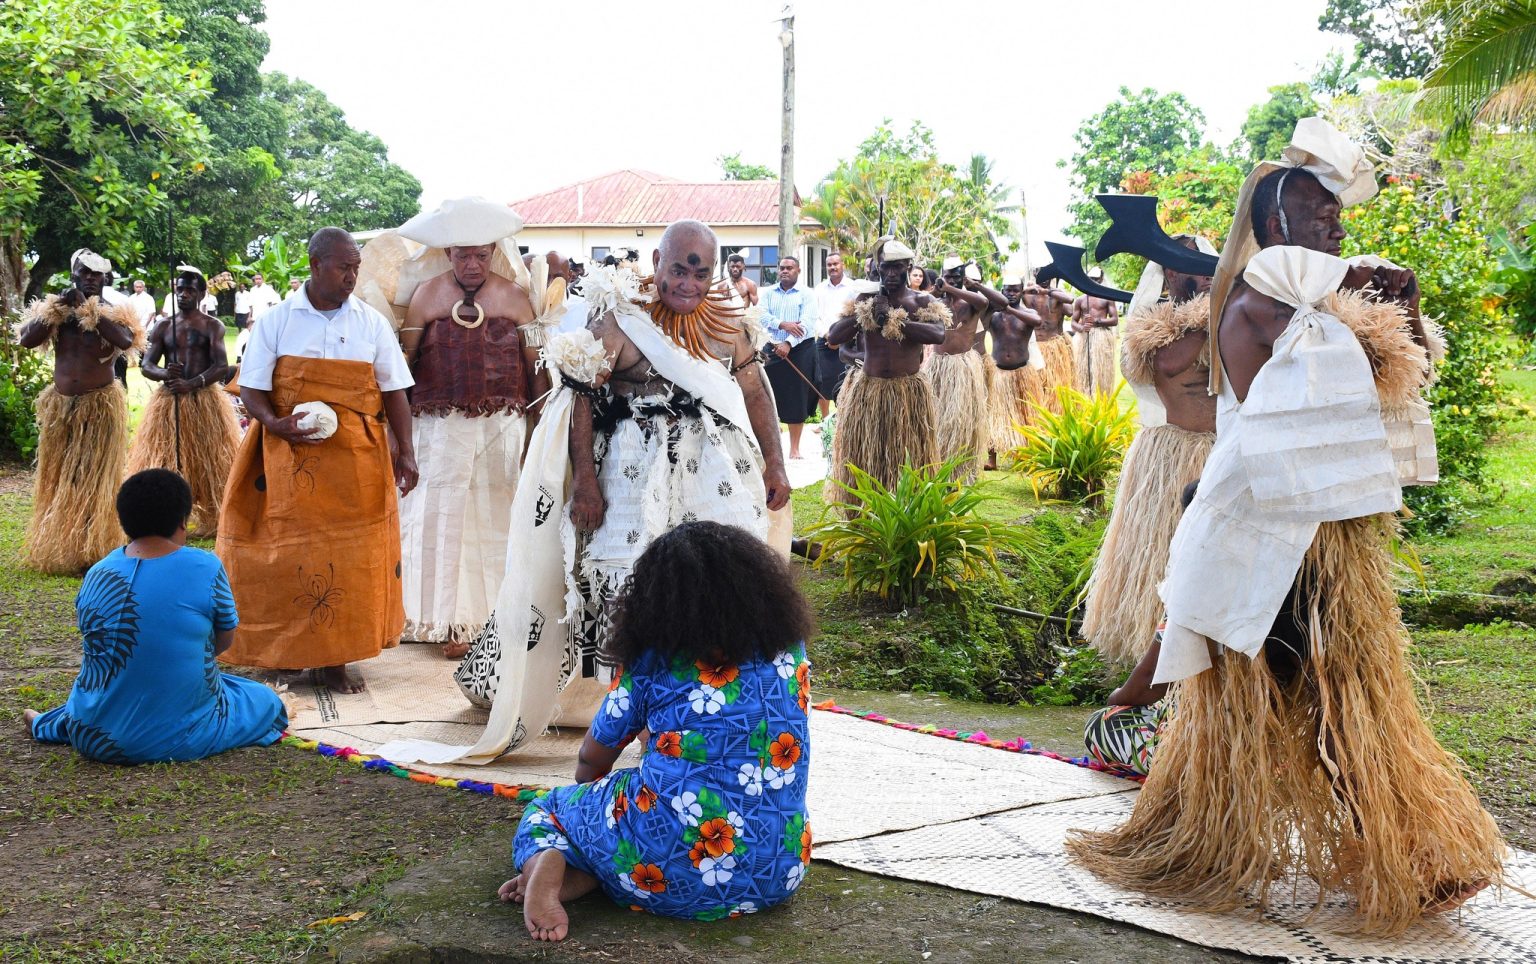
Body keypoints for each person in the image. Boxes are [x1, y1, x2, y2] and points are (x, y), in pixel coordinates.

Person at [1069, 119, 1502, 933]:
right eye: (1313, 214)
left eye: (1334, 214)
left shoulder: (1308, 300)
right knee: (1327, 697)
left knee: (1338, 696)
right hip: (1262, 537)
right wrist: (1373, 300)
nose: (1332, 224)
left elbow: (1385, 374)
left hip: (1308, 539)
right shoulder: (1265, 303)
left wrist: (1393, 299)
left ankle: (1399, 853)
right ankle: (1396, 854)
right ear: (1272, 226)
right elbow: (1347, 370)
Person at [392, 220, 791, 766]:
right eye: (679, 268)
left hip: (712, 474)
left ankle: (709, 708)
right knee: (629, 589)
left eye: (701, 270)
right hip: (628, 477)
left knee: (719, 585)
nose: (690, 282)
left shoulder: (731, 327)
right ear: (658, 263)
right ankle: (639, 724)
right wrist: (585, 483)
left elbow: (754, 391)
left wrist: (775, 463)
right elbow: (580, 399)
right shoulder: (620, 320)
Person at [498, 521, 814, 940]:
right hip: (779, 870)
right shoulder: (789, 651)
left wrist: (586, 799)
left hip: (664, 875)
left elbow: (594, 758)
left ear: (657, 601)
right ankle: (588, 870)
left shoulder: (656, 660)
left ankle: (554, 859)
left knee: (550, 811)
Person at [216, 227, 417, 695]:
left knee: (351, 558)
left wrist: (405, 451)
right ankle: (286, 654)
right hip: (286, 453)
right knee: (285, 554)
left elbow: (395, 392)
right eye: (344, 266)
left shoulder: (370, 323)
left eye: (356, 267)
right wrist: (273, 422)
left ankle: (335, 661)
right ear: (315, 265)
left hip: (356, 461)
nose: (352, 276)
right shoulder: (277, 320)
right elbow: (252, 387)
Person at [24, 469, 288, 763]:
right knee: (263, 701)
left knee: (121, 686)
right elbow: (224, 640)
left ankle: (50, 722)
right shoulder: (205, 566)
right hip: (166, 740)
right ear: (182, 522)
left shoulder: (98, 571)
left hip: (89, 733)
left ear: (125, 522)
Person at [394, 199, 550, 659]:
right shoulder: (425, 297)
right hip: (437, 430)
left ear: (493, 253)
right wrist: (398, 438)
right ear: (447, 253)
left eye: (481, 255)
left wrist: (537, 429)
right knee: (443, 517)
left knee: (496, 518)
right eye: (463, 255)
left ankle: (494, 620)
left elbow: (537, 369)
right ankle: (441, 620)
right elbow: (402, 369)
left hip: (500, 429)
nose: (472, 264)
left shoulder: (516, 298)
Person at [1079, 236, 1218, 665]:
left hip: (1222, 452)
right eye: (1190, 266)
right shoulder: (1152, 328)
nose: (1202, 276)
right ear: (1170, 273)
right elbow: (1172, 361)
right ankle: (1149, 645)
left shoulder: (1229, 317)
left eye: (1206, 266)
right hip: (1172, 456)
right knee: (1163, 553)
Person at [16, 249, 145, 574]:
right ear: (73, 273)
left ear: (106, 278)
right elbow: (27, 340)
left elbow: (126, 342)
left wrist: (91, 311)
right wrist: (57, 309)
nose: (90, 277)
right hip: (61, 407)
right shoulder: (57, 312)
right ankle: (65, 544)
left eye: (96, 274)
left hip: (99, 406)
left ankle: (95, 547)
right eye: (84, 272)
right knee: (63, 477)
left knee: (95, 477)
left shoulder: (115, 313)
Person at [822, 240, 948, 509]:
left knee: (910, 458)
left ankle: (911, 512)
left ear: (909, 268)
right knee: (868, 459)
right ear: (878, 269)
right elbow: (833, 337)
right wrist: (865, 314)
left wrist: (894, 319)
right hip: (870, 391)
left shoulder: (922, 301)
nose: (890, 274)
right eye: (885, 268)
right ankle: (864, 513)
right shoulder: (865, 300)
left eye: (897, 268)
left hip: (908, 393)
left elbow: (938, 334)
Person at [127, 266, 240, 537]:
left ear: (201, 293)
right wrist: (166, 374)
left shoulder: (213, 326)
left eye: (190, 290)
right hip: (169, 402)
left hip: (204, 402)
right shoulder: (164, 326)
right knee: (167, 458)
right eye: (180, 290)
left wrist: (193, 382)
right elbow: (146, 365)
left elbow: (221, 366)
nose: (184, 294)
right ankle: (163, 516)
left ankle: (214, 515)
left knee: (210, 459)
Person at [927, 258, 1005, 482]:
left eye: (956, 276)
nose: (950, 280)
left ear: (963, 277)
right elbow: (915, 304)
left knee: (961, 421)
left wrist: (961, 286)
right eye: (947, 275)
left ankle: (962, 471)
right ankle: (938, 466)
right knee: (937, 419)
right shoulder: (934, 302)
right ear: (941, 274)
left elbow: (996, 302)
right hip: (938, 366)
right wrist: (936, 291)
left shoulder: (972, 302)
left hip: (962, 367)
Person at [760, 254, 820, 459]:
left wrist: (788, 343)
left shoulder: (807, 294)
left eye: (789, 268)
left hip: (800, 351)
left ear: (798, 271)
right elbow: (761, 316)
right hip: (770, 348)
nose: (785, 271)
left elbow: (807, 323)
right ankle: (771, 446)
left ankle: (794, 449)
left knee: (797, 398)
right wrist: (783, 325)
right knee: (768, 397)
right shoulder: (767, 293)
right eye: (782, 268)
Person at [981, 275, 1042, 461]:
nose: (1011, 293)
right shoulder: (993, 316)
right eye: (1008, 289)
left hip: (1022, 372)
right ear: (1002, 291)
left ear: (1022, 291)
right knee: (994, 414)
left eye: (1015, 290)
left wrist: (1009, 308)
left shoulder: (1029, 313)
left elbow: (1037, 321)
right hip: (998, 372)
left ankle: (1024, 453)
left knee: (1025, 413)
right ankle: (992, 458)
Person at [1022, 272, 1076, 414]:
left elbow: (1070, 304)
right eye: (1041, 274)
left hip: (1053, 348)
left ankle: (1056, 413)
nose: (1044, 278)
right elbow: (1009, 296)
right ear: (1034, 273)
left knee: (1055, 387)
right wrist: (1029, 289)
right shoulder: (1028, 295)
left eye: (1048, 275)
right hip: (1034, 347)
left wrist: (1048, 292)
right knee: (1036, 385)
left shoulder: (1056, 295)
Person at [812, 252, 859, 418]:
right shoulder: (819, 289)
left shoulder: (853, 288)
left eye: (835, 264)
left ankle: (842, 417)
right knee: (821, 381)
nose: (832, 267)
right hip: (824, 341)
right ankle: (825, 420)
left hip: (846, 342)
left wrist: (841, 338)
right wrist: (827, 335)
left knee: (846, 380)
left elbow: (855, 316)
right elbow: (814, 317)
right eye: (829, 265)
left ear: (842, 265)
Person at [1070, 267, 1120, 396]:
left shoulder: (1107, 298)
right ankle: (1085, 398)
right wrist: (1081, 327)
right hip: (1084, 338)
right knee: (1084, 370)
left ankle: (1101, 398)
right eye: (1091, 279)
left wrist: (1097, 321)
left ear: (1101, 279)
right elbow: (1073, 322)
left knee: (1101, 371)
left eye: (1096, 280)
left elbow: (1114, 320)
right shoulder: (1080, 300)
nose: (1093, 282)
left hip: (1101, 338)